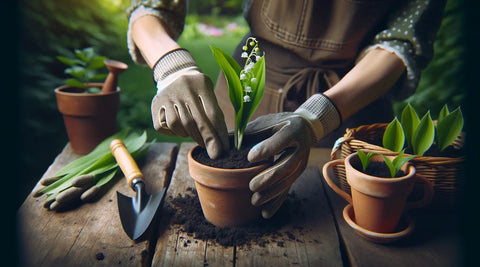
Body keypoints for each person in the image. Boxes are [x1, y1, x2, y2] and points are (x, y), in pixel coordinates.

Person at [126, 0, 446, 219]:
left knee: (331, 214)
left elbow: (402, 40)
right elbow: (149, 6)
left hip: (352, 105)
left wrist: (318, 116)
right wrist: (171, 66)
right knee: (229, 155)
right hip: (252, 77)